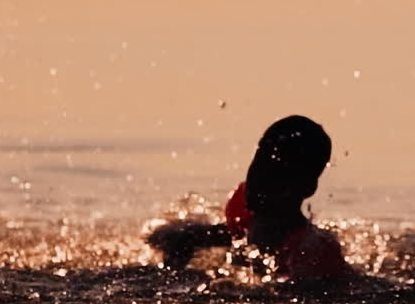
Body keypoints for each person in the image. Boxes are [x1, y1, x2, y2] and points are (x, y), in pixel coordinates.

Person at [146, 115, 348, 281]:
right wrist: (184, 241)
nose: (261, 178)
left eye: (278, 173)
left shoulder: (312, 251)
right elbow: (162, 237)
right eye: (260, 163)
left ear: (307, 188)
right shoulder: (244, 217)